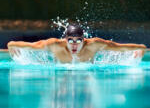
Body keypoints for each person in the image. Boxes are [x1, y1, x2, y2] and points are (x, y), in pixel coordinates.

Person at [8, 24, 147, 63]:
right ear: (65, 39)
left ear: (84, 39)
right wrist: (11, 44)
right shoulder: (55, 45)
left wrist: (141, 48)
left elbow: (119, 48)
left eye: (78, 41)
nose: (74, 45)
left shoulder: (94, 44)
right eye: (71, 41)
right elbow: (30, 46)